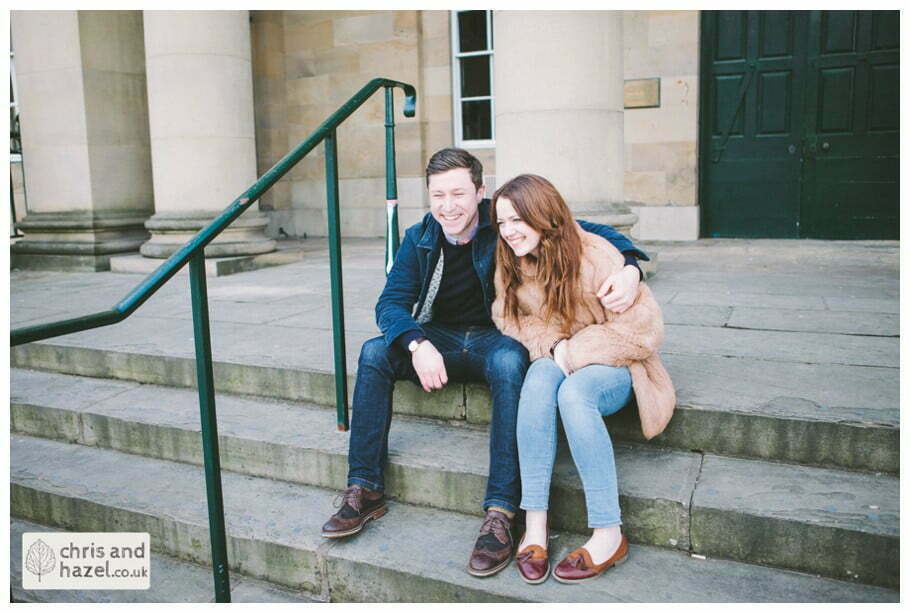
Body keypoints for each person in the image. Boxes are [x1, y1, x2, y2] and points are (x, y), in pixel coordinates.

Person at [320, 149, 650, 578]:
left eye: (458, 193)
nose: (448, 205)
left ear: (480, 193)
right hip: (438, 336)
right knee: (373, 352)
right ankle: (364, 489)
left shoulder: (507, 222)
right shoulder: (420, 236)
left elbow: (583, 231)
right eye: (437, 195)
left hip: (500, 336)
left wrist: (629, 267)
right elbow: (390, 303)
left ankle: (500, 513)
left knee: (513, 364)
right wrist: (417, 343)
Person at [491, 174, 675, 584]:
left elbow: (645, 331)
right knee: (538, 379)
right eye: (502, 223)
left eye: (517, 220)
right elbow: (509, 318)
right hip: (560, 356)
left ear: (542, 215)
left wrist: (576, 351)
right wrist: (554, 347)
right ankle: (535, 524)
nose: (508, 232)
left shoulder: (597, 255)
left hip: (622, 365)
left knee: (574, 393)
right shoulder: (513, 261)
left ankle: (609, 533)